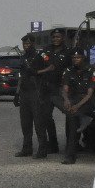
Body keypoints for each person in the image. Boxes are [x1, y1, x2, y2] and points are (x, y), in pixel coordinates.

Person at [14, 34, 54, 157]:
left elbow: (51, 67)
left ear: (33, 43)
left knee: (39, 122)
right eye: (24, 44)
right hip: (25, 92)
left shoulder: (40, 55)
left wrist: (37, 72)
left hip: (37, 91)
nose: (26, 46)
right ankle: (27, 148)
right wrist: (16, 93)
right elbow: (21, 75)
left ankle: (42, 150)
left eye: (28, 43)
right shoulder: (23, 57)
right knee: (25, 123)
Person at [33, 28, 68, 157]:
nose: (55, 39)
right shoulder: (45, 51)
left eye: (58, 37)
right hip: (47, 89)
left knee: (71, 115)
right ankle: (51, 145)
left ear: (62, 38)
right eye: (53, 37)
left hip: (60, 89)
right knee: (46, 117)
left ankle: (73, 145)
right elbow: (37, 64)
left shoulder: (68, 52)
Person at [60, 48, 95, 164]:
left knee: (73, 116)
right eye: (73, 58)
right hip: (74, 98)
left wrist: (77, 106)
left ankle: (70, 155)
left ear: (83, 58)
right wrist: (66, 100)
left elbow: (89, 94)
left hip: (87, 101)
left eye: (78, 57)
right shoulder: (68, 70)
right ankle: (70, 154)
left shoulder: (91, 71)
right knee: (72, 122)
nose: (75, 60)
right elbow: (65, 89)